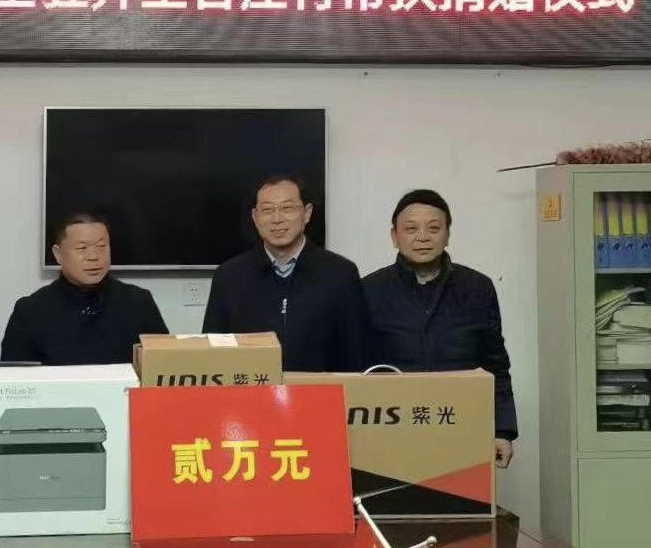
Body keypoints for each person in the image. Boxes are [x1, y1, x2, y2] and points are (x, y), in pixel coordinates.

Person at [362, 189, 517, 467]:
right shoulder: (369, 290)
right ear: (394, 236)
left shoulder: (476, 288)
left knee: (463, 495)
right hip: (392, 429)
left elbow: (495, 365)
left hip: (463, 425)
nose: (422, 237)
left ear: (447, 235)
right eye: (411, 229)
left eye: (433, 228)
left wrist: (502, 431)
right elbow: (356, 369)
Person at [202, 175, 367, 372]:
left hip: (321, 389)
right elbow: (213, 354)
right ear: (255, 217)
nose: (277, 219)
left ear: (307, 213)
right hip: (253, 389)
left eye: (287, 208)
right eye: (267, 210)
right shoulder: (229, 277)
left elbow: (357, 353)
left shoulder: (340, 274)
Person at [0, 211, 168, 364]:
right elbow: (13, 379)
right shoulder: (30, 311)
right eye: (82, 248)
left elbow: (164, 366)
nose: (94, 256)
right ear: (58, 254)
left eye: (102, 246)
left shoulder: (139, 303)